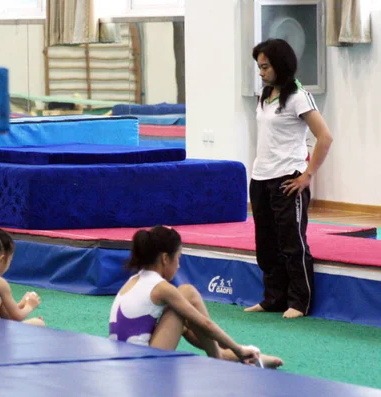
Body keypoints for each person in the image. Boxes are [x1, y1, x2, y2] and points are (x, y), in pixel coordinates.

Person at [109, 226, 283, 368]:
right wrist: (237, 348)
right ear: (165, 258)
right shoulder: (160, 287)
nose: (178, 265)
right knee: (188, 293)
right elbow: (205, 323)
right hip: (142, 366)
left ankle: (236, 355)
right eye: (178, 258)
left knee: (184, 321)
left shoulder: (134, 280)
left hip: (124, 363)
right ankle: (226, 357)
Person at [245, 39, 333, 319]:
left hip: (288, 179)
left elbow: (325, 137)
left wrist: (308, 176)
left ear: (280, 64)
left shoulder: (298, 96)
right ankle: (273, 298)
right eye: (258, 67)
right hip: (261, 178)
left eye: (265, 67)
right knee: (266, 245)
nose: (261, 72)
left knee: (292, 243)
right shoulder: (264, 94)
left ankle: (299, 301)